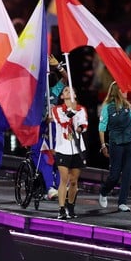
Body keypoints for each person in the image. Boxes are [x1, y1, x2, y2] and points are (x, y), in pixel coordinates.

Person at [97, 82, 131, 212]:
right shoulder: (107, 107)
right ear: (117, 91)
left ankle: (122, 202)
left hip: (130, 143)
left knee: (128, 173)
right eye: (123, 90)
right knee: (114, 175)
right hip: (116, 144)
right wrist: (103, 145)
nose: (126, 91)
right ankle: (104, 191)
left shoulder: (128, 106)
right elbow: (102, 128)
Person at [52, 84, 88, 220]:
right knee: (64, 179)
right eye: (65, 90)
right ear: (62, 96)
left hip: (77, 148)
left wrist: (80, 128)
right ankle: (61, 209)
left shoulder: (81, 109)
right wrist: (71, 110)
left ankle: (70, 206)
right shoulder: (57, 110)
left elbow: (84, 124)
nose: (68, 91)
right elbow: (63, 121)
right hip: (63, 148)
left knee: (73, 181)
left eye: (71, 90)